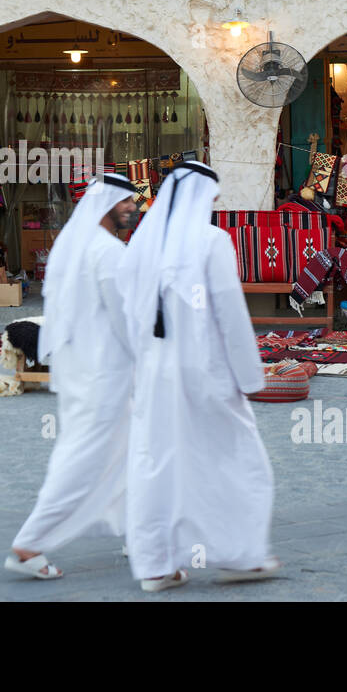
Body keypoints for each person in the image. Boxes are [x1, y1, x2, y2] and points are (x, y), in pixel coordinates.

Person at [116, 160, 278, 593]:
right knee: (240, 459)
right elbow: (229, 312)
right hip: (205, 373)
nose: (217, 200)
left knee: (157, 463)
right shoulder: (212, 241)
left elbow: (127, 315)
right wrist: (250, 377)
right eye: (212, 194)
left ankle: (155, 566)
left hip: (153, 375)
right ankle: (241, 554)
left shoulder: (140, 246)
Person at [6, 173, 140, 580]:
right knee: (82, 461)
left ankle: (140, 535)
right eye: (125, 203)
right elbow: (126, 321)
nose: (132, 208)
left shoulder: (79, 244)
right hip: (104, 374)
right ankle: (29, 544)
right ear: (106, 206)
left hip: (84, 369)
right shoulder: (107, 252)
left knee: (127, 454)